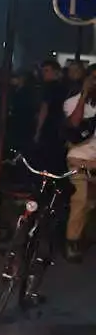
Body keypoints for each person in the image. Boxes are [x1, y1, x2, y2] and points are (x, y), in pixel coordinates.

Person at [62, 68, 96, 262]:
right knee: (80, 201)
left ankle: (81, 234)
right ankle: (72, 241)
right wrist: (84, 94)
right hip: (79, 159)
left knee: (89, 204)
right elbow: (74, 123)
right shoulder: (73, 101)